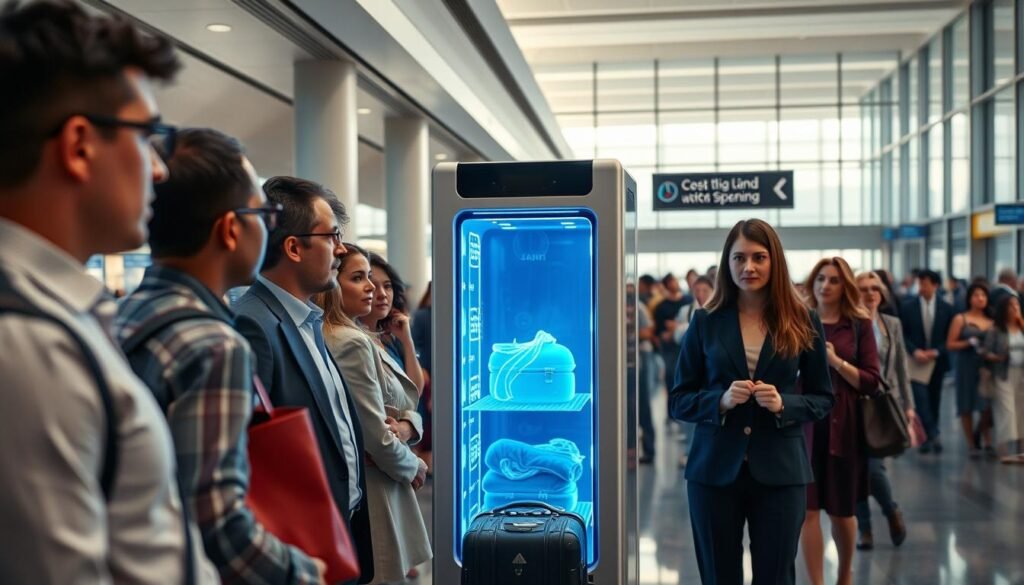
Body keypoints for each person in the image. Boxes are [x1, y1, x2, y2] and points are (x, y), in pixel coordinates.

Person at [0, 2, 219, 583]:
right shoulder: (28, 344)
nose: (159, 170)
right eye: (146, 137)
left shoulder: (57, 313)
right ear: (79, 146)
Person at [114, 128, 327, 584]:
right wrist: (305, 572)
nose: (270, 228)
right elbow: (217, 523)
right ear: (230, 229)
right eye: (264, 213)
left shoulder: (122, 315)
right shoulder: (214, 345)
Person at [670, 219, 834, 585]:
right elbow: (679, 400)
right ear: (727, 263)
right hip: (713, 471)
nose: (749, 267)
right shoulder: (705, 321)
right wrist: (721, 401)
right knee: (718, 576)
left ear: (774, 261)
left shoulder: (803, 319)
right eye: (739, 258)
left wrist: (784, 404)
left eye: (759, 257)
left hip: (781, 471)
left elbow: (823, 398)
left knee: (776, 577)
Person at [233, 176, 373, 583]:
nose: (341, 249)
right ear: (294, 248)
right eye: (332, 236)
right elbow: (250, 461)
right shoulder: (253, 325)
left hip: (338, 529)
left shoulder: (307, 319)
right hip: (298, 549)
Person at [315, 243, 431, 585]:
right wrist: (413, 465)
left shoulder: (361, 336)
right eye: (358, 278)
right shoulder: (350, 341)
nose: (371, 288)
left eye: (375, 279)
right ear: (332, 285)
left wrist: (406, 426)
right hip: (376, 486)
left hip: (381, 479)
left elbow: (406, 402)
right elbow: (375, 434)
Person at [801, 257, 881, 585]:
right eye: (821, 278)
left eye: (834, 280)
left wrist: (835, 362)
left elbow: (872, 381)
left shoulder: (859, 325)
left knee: (842, 511)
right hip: (806, 425)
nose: (825, 286)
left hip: (844, 425)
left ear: (845, 285)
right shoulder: (800, 321)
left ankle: (844, 577)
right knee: (807, 511)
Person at [853, 272, 915, 551]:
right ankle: (865, 529)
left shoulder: (891, 325)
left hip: (881, 405)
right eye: (863, 289)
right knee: (855, 471)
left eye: (874, 289)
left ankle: (891, 510)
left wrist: (909, 406)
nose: (870, 294)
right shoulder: (849, 323)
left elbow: (901, 367)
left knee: (874, 468)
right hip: (853, 405)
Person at [900, 269, 954, 454]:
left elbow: (949, 336)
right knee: (920, 399)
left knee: (934, 398)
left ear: (935, 285)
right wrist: (914, 351)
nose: (921, 287)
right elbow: (902, 334)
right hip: (916, 362)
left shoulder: (946, 308)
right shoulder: (908, 307)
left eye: (925, 284)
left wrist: (936, 351)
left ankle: (932, 433)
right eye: (919, 283)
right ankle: (929, 435)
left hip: (937, 362)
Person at [946, 281, 994, 457]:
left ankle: (986, 439)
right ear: (969, 298)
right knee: (966, 404)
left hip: (986, 366)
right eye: (976, 295)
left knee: (987, 405)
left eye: (983, 295)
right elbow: (950, 344)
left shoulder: (992, 321)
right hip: (966, 364)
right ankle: (972, 444)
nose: (980, 298)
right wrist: (967, 342)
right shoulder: (961, 319)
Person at [365, 251, 424, 392]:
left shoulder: (388, 337)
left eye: (387, 286)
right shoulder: (356, 341)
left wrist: (407, 341)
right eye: (373, 287)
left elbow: (416, 390)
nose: (383, 294)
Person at [981, 296, 1024, 464]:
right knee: (1006, 411)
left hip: (1021, 374)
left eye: (1017, 304)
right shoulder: (996, 330)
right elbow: (985, 352)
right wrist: (997, 357)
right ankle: (1003, 451)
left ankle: (1021, 451)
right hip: (1003, 373)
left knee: (1021, 412)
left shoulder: (1021, 327)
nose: (1015, 308)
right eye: (1011, 305)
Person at [410, 281, 433, 471]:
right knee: (425, 416)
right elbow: (415, 345)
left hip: (438, 373)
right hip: (425, 374)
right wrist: (422, 368)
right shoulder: (422, 315)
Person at [637, 297, 657, 463]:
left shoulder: (639, 307)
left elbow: (648, 331)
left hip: (640, 359)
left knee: (643, 405)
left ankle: (649, 450)